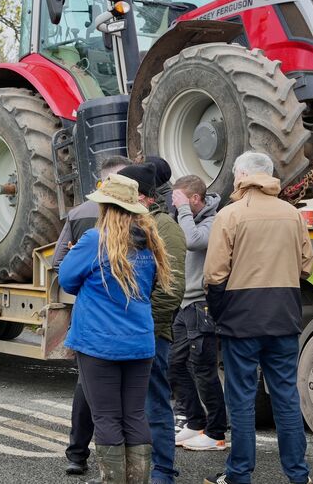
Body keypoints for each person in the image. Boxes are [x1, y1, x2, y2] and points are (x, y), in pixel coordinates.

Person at [204, 151, 313, 484]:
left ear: (241, 176)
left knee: (241, 399)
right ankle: (298, 475)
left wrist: (220, 312)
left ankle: (239, 474)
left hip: (242, 320)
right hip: (283, 316)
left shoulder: (231, 214)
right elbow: (306, 267)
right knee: (286, 398)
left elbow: (214, 274)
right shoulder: (292, 214)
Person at [60, 173, 175, 483]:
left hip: (99, 343)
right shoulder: (150, 242)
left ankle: (113, 480)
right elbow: (151, 288)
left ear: (106, 208)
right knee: (135, 415)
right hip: (139, 342)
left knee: (107, 417)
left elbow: (67, 280)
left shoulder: (95, 240)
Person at [53, 154, 134, 476]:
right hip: (132, 318)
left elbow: (59, 263)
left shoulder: (80, 214)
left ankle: (77, 453)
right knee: (130, 395)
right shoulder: (142, 219)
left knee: (87, 387)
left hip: (90, 316)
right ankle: (129, 464)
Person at [119, 163, 186, 484]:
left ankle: (163, 472)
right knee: (123, 409)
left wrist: (142, 324)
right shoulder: (123, 224)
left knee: (154, 404)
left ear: (140, 196)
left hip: (151, 334)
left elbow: (170, 289)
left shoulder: (165, 228)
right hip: (120, 334)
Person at [169, 175, 228, 451]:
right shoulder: (187, 218)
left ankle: (216, 432)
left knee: (204, 370)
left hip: (201, 305)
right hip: (184, 304)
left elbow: (193, 241)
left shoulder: (213, 221)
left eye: (179, 199)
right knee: (175, 364)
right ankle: (195, 422)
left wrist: (181, 209)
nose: (175, 203)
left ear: (195, 198)